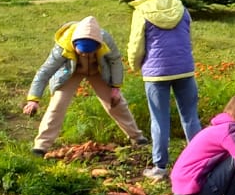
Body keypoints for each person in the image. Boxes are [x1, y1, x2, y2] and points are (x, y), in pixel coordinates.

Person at [23, 15, 146, 156]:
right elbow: (45, 72)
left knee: (115, 103)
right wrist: (33, 100)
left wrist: (115, 88)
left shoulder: (106, 40)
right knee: (58, 104)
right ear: (74, 45)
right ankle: (41, 146)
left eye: (90, 52)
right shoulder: (62, 46)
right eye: (81, 52)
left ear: (98, 46)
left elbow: (115, 61)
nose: (85, 55)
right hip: (71, 71)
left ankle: (137, 138)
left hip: (98, 70)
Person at [127, 0, 202, 181]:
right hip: (184, 69)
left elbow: (136, 44)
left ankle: (160, 168)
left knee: (159, 120)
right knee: (190, 117)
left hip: (156, 74)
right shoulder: (181, 8)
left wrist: (135, 65)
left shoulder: (142, 12)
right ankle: (202, 161)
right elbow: (187, 36)